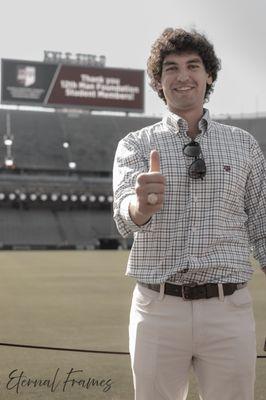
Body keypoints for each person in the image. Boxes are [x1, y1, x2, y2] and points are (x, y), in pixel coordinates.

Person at [112, 27, 266, 400]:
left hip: (228, 309)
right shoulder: (136, 143)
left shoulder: (243, 144)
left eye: (192, 65)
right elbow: (123, 215)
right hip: (158, 308)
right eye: (170, 68)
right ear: (158, 81)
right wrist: (141, 206)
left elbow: (263, 229)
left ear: (208, 75)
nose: (183, 76)